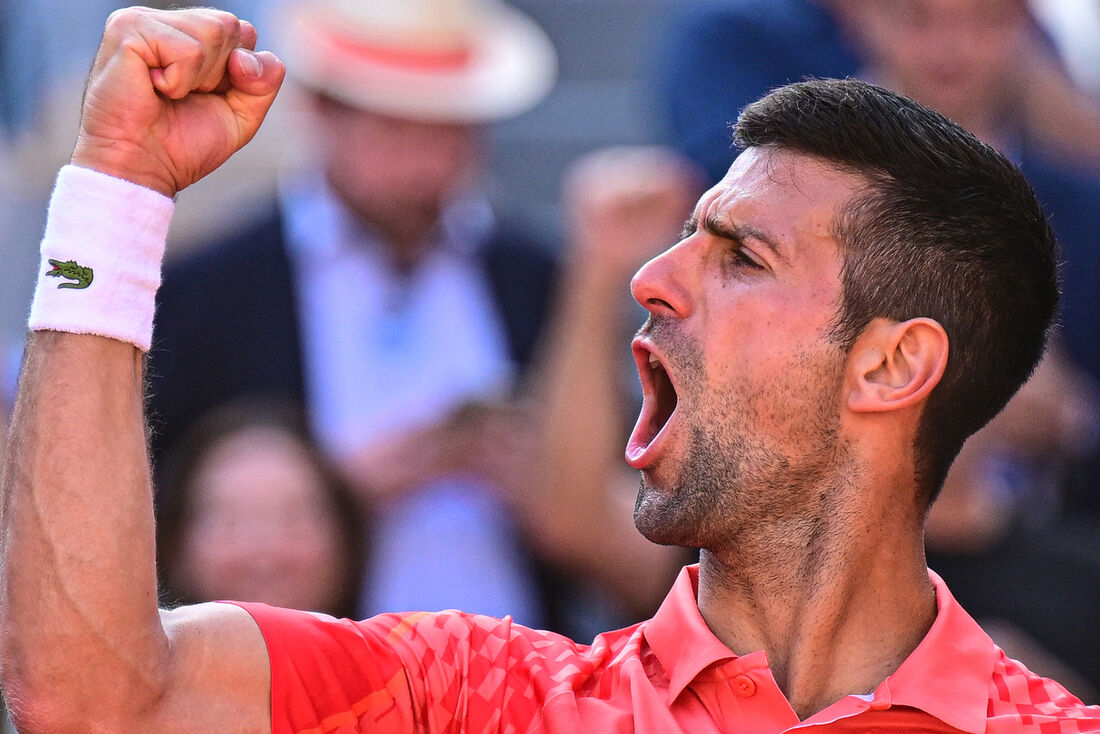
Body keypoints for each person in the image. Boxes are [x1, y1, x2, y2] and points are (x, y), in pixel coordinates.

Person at [2, 8, 1099, 734]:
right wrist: (115, 190)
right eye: (683, 236)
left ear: (891, 364)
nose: (650, 279)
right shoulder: (478, 692)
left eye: (741, 257)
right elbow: (91, 691)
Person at [146, 0, 564, 626]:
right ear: (321, 110)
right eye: (399, 128)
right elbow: (159, 512)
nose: (429, 163)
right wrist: (334, 492)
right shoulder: (205, 291)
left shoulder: (535, 276)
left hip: (520, 681)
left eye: (453, 128)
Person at [155, 400, 366, 619]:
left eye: (294, 522)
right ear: (176, 544)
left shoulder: (397, 649)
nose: (264, 549)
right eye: (231, 525)